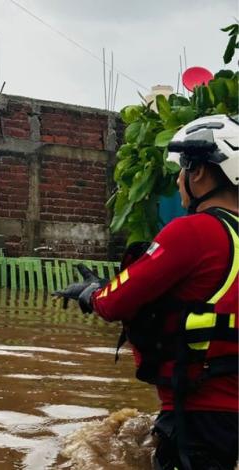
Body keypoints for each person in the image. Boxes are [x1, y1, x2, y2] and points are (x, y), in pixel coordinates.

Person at [55, 114, 238, 470]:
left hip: (198, 416)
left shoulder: (193, 232)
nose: (180, 183)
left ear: (199, 171)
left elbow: (114, 302)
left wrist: (92, 292)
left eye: (182, 173)